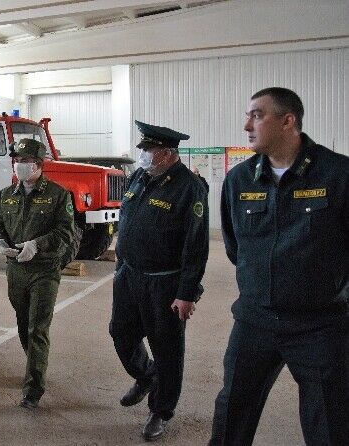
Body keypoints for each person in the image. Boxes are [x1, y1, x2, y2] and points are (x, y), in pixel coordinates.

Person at [209, 87, 348, 445]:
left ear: (288, 121)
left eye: (256, 115)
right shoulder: (240, 180)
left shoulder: (337, 174)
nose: (246, 125)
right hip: (255, 322)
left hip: (318, 325)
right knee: (231, 413)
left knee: (329, 423)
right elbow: (235, 246)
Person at [110, 121, 209, 441]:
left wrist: (187, 293)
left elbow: (196, 246)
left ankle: (161, 410)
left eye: (148, 151)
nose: (143, 155)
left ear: (167, 154)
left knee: (167, 349)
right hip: (128, 274)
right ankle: (145, 374)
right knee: (121, 332)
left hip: (164, 282)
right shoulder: (140, 177)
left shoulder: (189, 188)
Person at [0, 138, 75, 409]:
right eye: (16, 162)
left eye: (24, 162)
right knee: (22, 323)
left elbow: (66, 233)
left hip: (44, 270)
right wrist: (0, 243)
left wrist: (37, 245)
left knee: (38, 327)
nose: (19, 166)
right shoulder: (6, 195)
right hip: (16, 269)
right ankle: (34, 364)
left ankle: (33, 389)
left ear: (38, 165)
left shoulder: (58, 194)